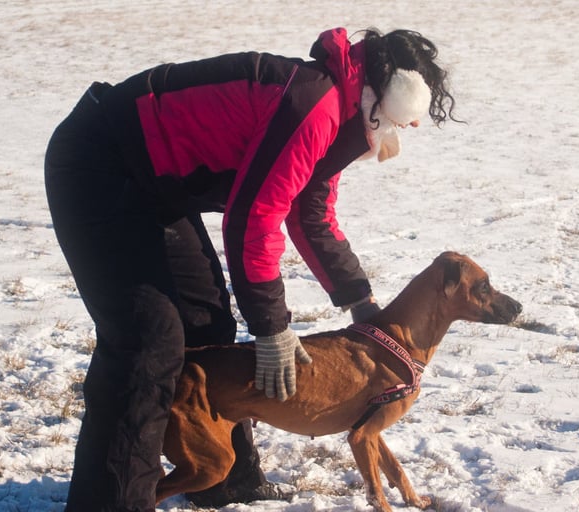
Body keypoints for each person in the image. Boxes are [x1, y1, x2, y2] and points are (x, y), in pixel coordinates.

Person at [44, 26, 457, 511]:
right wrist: (271, 328)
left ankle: (223, 481)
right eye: (408, 115)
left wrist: (360, 301)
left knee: (206, 323)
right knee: (148, 340)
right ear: (391, 93)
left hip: (157, 185)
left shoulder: (339, 113)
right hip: (100, 161)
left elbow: (313, 215)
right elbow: (254, 219)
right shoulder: (315, 106)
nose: (410, 127)